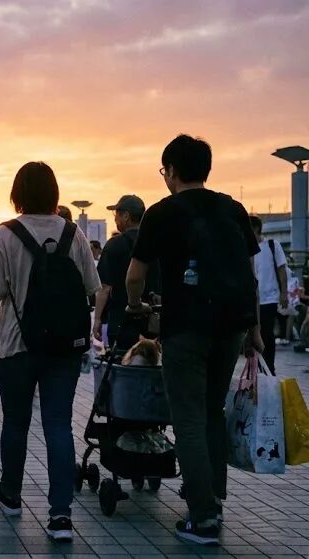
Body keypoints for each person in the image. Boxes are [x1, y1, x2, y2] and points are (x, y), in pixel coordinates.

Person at [126, 134, 261, 545]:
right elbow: (250, 277)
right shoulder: (233, 209)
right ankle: (212, 499)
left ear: (172, 170)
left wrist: (136, 307)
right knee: (211, 412)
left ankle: (202, 517)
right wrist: (254, 331)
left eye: (164, 170)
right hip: (232, 325)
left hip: (186, 327)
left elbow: (135, 275)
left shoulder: (162, 213)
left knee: (186, 417)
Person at [0, 162, 100, 542]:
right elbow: (91, 286)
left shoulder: (4, 234)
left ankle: (12, 495)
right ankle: (60, 515)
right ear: (54, 193)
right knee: (58, 425)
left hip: (18, 344)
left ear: (17, 194)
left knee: (15, 422)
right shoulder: (74, 233)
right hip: (64, 347)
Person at [92, 195, 157, 349]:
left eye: (117, 215)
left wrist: (97, 320)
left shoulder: (114, 245)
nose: (115, 220)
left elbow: (104, 288)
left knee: (123, 366)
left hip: (121, 323)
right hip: (152, 324)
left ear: (126, 216)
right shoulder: (156, 243)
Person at [250, 215, 288, 373]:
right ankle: (259, 368)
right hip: (252, 299)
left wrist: (284, 293)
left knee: (266, 332)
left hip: (269, 298)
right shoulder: (247, 248)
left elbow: (281, 269)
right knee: (253, 336)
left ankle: (269, 368)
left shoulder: (273, 245)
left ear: (256, 229)